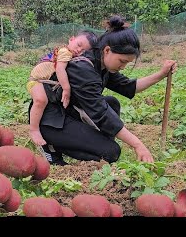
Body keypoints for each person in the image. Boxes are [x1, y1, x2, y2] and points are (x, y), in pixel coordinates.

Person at [28, 15, 177, 165]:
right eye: (122, 61)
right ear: (107, 50)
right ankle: (51, 145)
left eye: (127, 63)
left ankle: (94, 143)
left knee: (112, 102)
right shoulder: (84, 70)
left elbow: (129, 87)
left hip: (69, 112)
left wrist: (161, 74)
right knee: (111, 153)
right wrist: (137, 144)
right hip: (51, 120)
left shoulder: (102, 64)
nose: (123, 66)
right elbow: (101, 113)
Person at [26, 30, 97, 147]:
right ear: (71, 39)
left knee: (45, 101)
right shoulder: (65, 52)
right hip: (36, 81)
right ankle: (34, 130)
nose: (79, 50)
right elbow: (60, 70)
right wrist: (66, 89)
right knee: (40, 100)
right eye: (79, 45)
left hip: (43, 81)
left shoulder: (67, 53)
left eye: (83, 50)